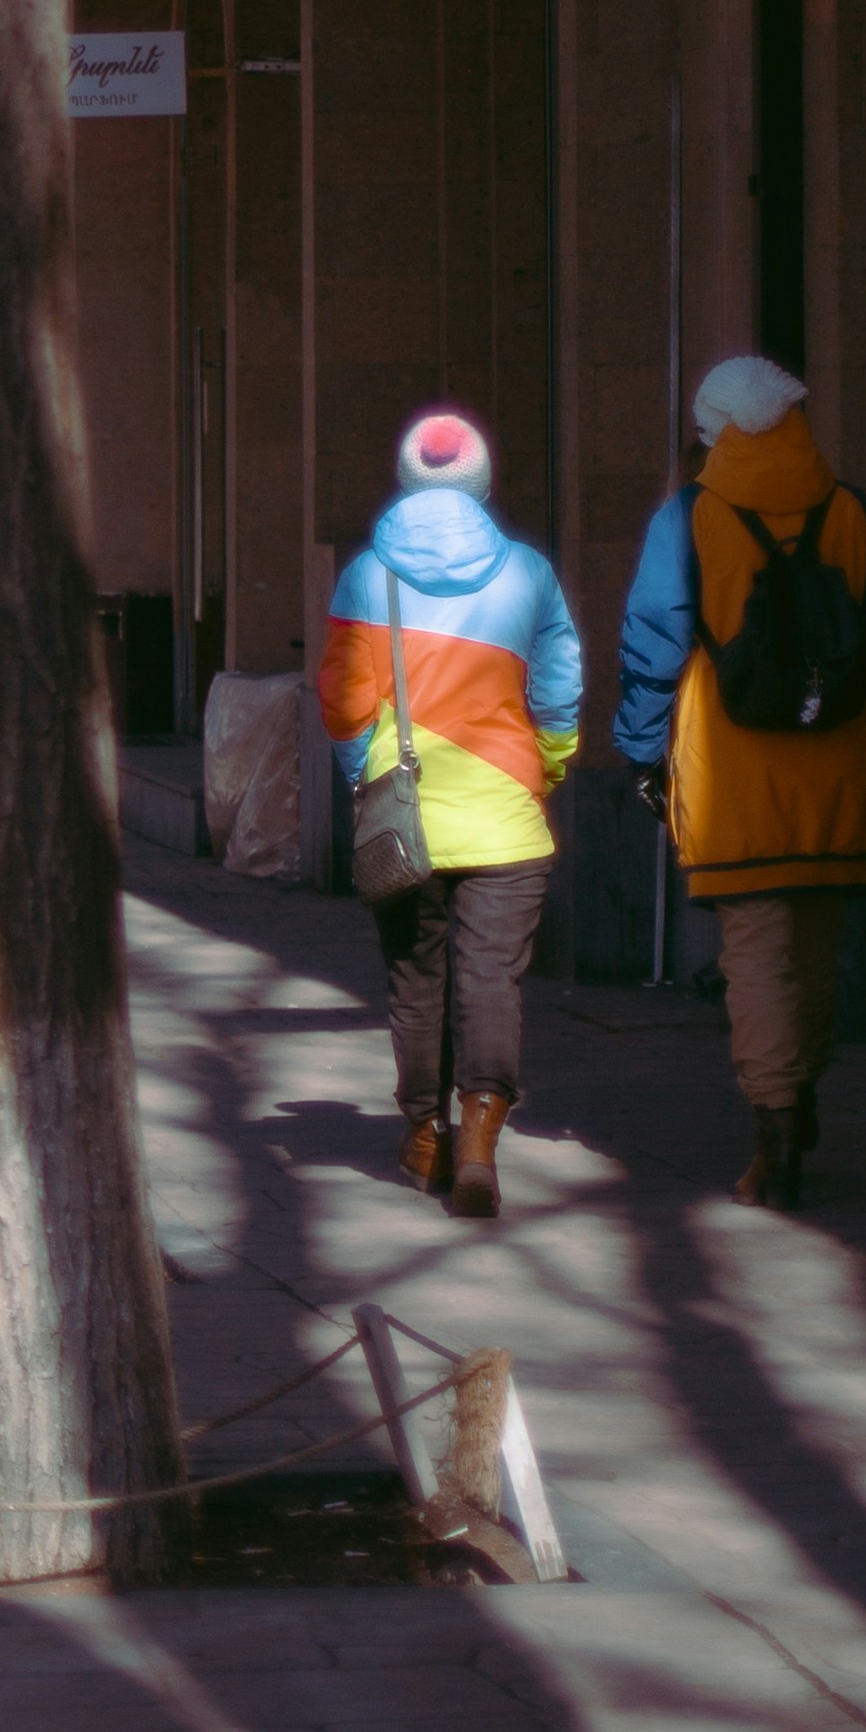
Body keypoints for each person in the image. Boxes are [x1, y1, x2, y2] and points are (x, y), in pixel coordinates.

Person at [615, 353, 866, 1212]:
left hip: (734, 769)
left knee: (754, 957)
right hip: (837, 765)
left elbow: (653, 644)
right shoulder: (852, 510)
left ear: (713, 428)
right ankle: (800, 1096)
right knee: (814, 947)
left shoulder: (690, 516)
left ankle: (775, 1134)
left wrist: (639, 749)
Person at [320, 410, 581, 1223]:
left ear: (406, 478)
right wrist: (552, 761)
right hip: (505, 818)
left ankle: (422, 1133)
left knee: (414, 977)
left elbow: (341, 698)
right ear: (481, 484)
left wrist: (362, 773)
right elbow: (558, 684)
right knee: (489, 980)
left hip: (406, 820)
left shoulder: (367, 575)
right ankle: (478, 1140)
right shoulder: (529, 572)